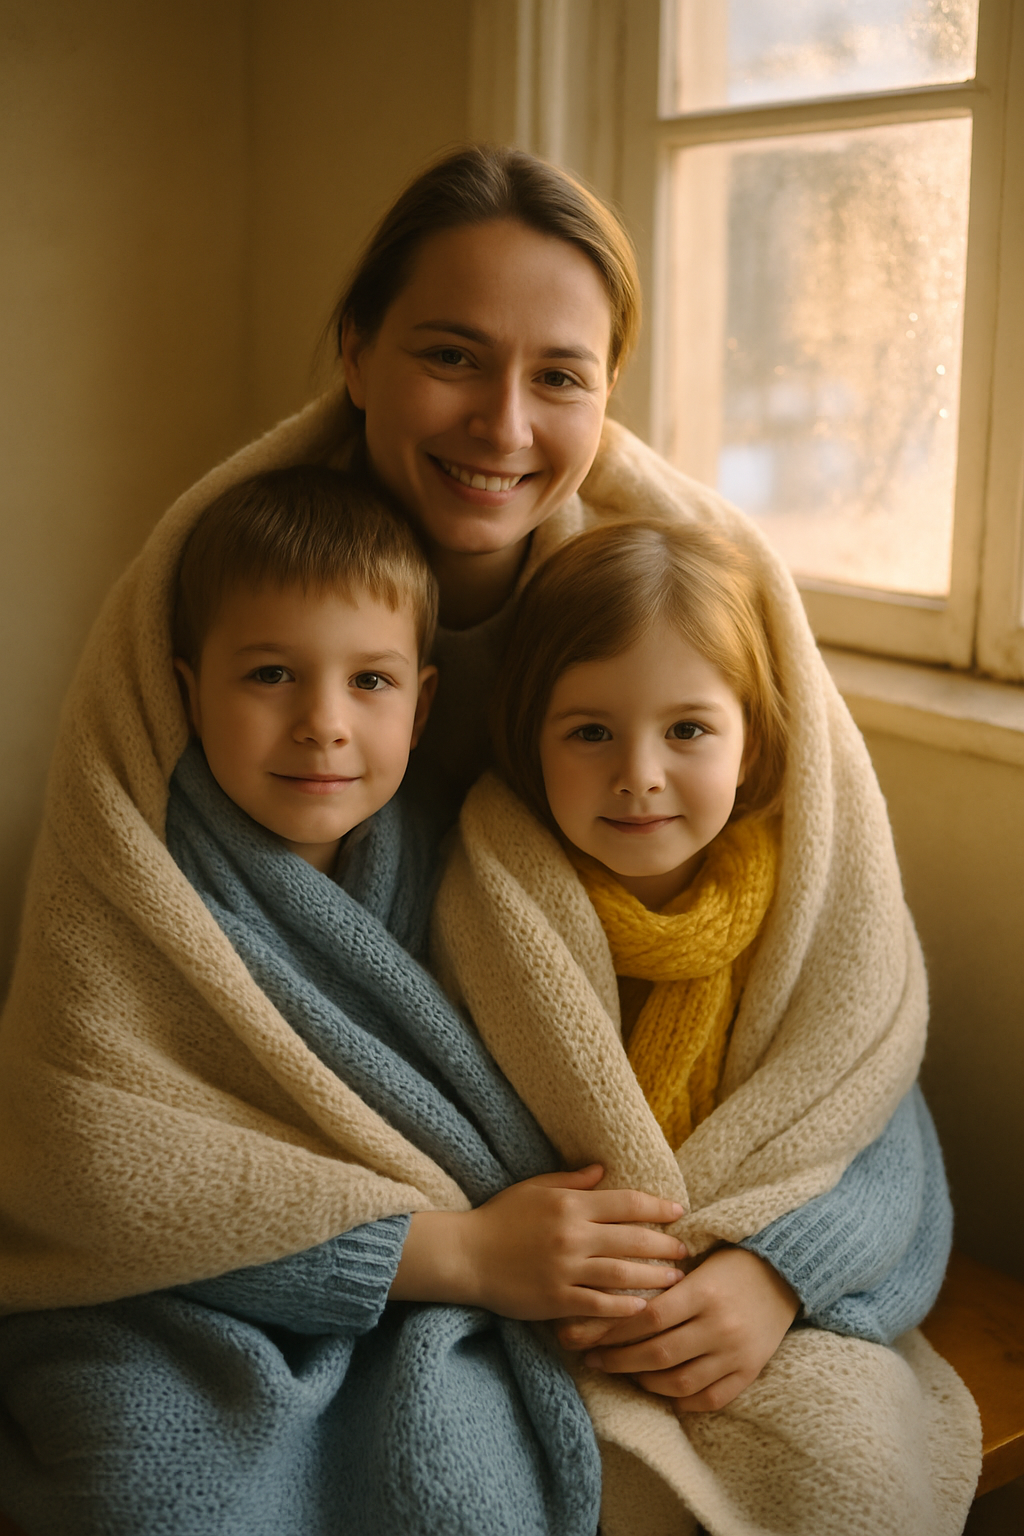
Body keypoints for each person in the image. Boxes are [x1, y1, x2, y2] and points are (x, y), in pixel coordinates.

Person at [0, 146, 979, 1536]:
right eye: (452, 356)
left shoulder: (678, 612)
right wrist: (452, 1250)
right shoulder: (209, 600)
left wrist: (779, 1267)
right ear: (356, 352)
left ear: (607, 396)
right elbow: (91, 1105)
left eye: (559, 377)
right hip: (369, 1240)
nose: (503, 425)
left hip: (644, 1241)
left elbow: (839, 1015)